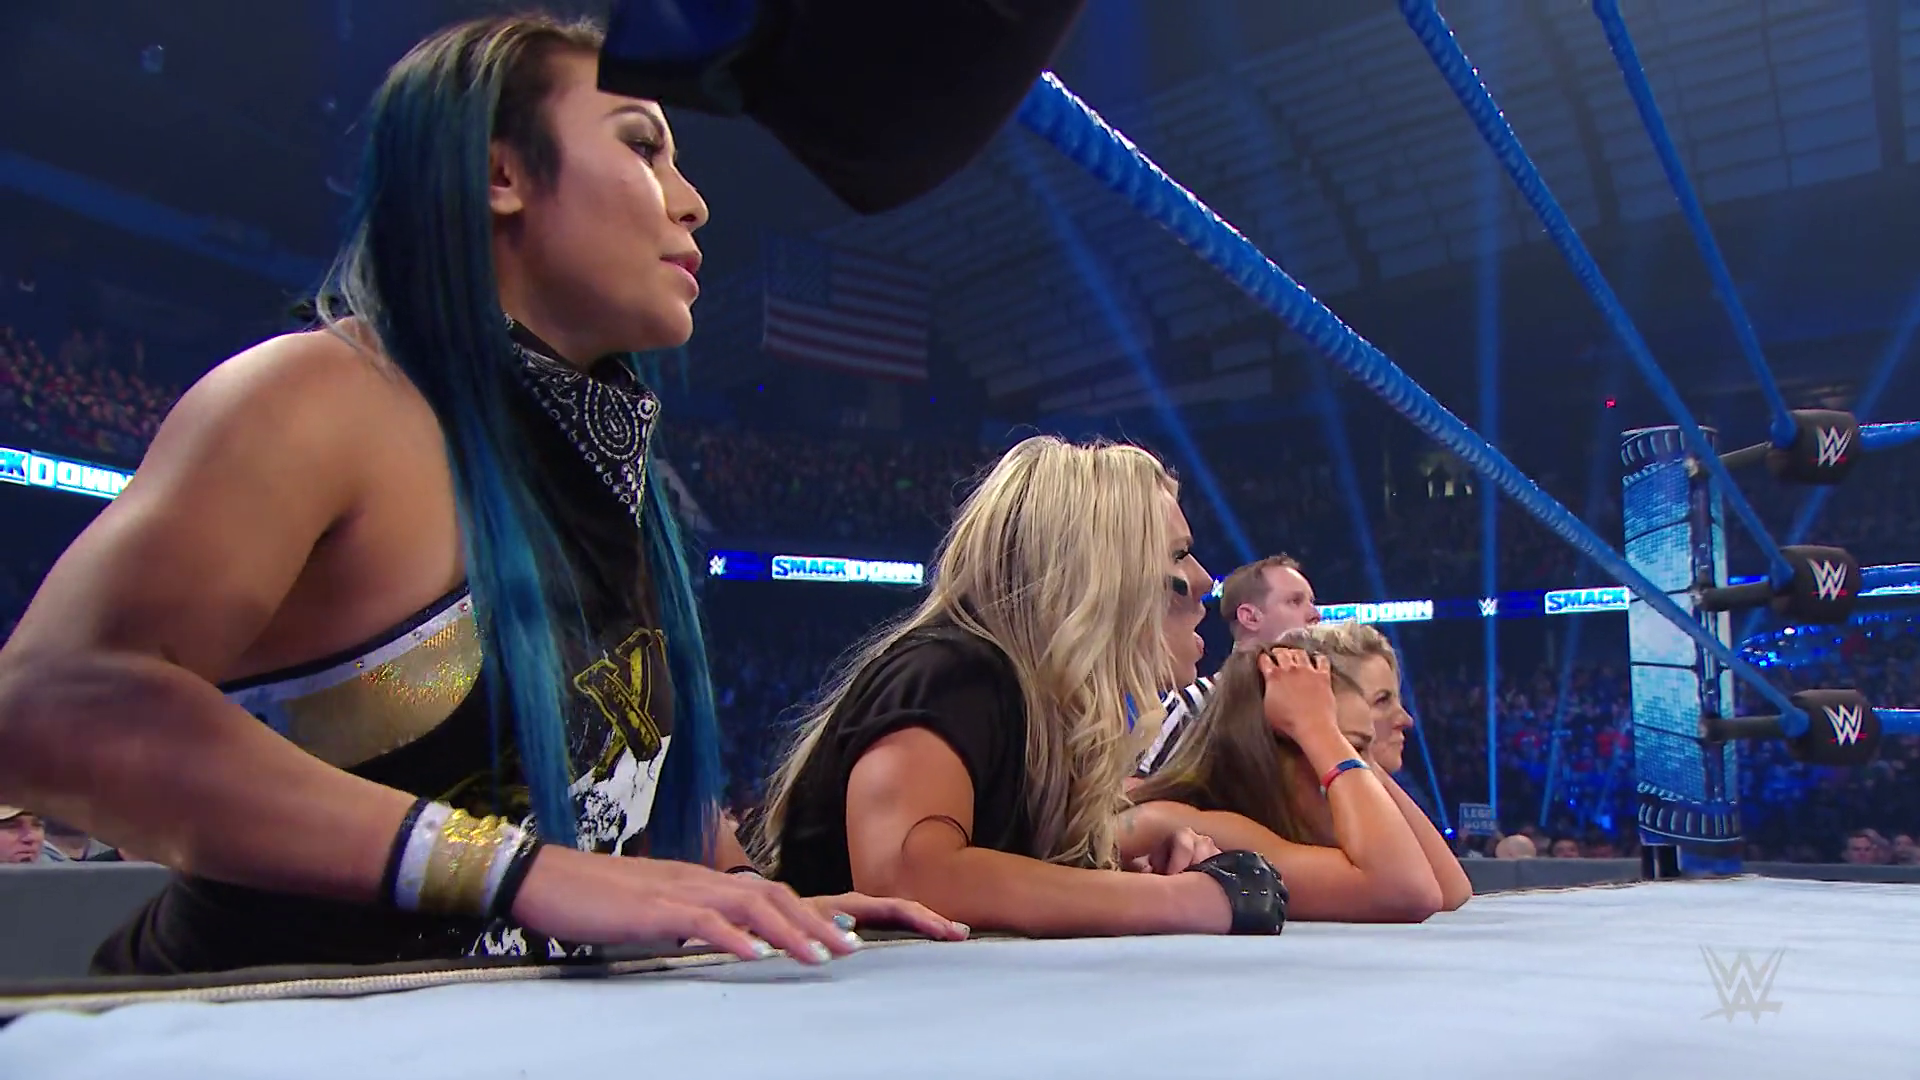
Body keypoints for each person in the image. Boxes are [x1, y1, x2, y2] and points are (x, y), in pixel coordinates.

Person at [0, 13, 956, 976]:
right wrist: (511, 869)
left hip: (491, 1029)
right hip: (245, 1023)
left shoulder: (611, 473)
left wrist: (753, 897)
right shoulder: (322, 398)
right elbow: (44, 708)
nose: (693, 203)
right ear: (501, 174)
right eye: (642, 147)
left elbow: (607, 776)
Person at [750, 437, 1286, 937]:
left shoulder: (1047, 713)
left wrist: (1118, 874)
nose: (1203, 580)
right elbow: (908, 877)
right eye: (1177, 555)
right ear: (1099, 575)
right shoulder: (953, 673)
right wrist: (1180, 900)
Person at [1127, 623, 1472, 921]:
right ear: (1277, 756)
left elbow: (1450, 889)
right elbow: (1409, 890)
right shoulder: (1191, 825)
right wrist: (1318, 730)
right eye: (1351, 751)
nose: (1363, 773)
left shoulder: (1292, 822)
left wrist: (1352, 750)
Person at [1136, 554, 1320, 777]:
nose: (1315, 615)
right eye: (1295, 601)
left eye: (1312, 602)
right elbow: (1133, 790)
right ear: (1250, 617)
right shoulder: (1195, 702)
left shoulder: (1321, 706)